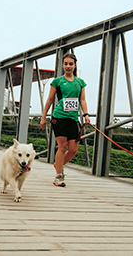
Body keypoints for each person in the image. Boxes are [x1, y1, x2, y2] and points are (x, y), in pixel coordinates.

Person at [40, 53, 90, 187]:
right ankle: (58, 176)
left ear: (75, 65)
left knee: (73, 150)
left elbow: (82, 100)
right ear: (63, 65)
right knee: (61, 147)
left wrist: (86, 114)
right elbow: (50, 99)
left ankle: (58, 164)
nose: (68, 66)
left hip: (73, 119)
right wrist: (44, 117)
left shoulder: (80, 83)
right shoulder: (57, 81)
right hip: (59, 117)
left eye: (71, 64)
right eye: (66, 64)